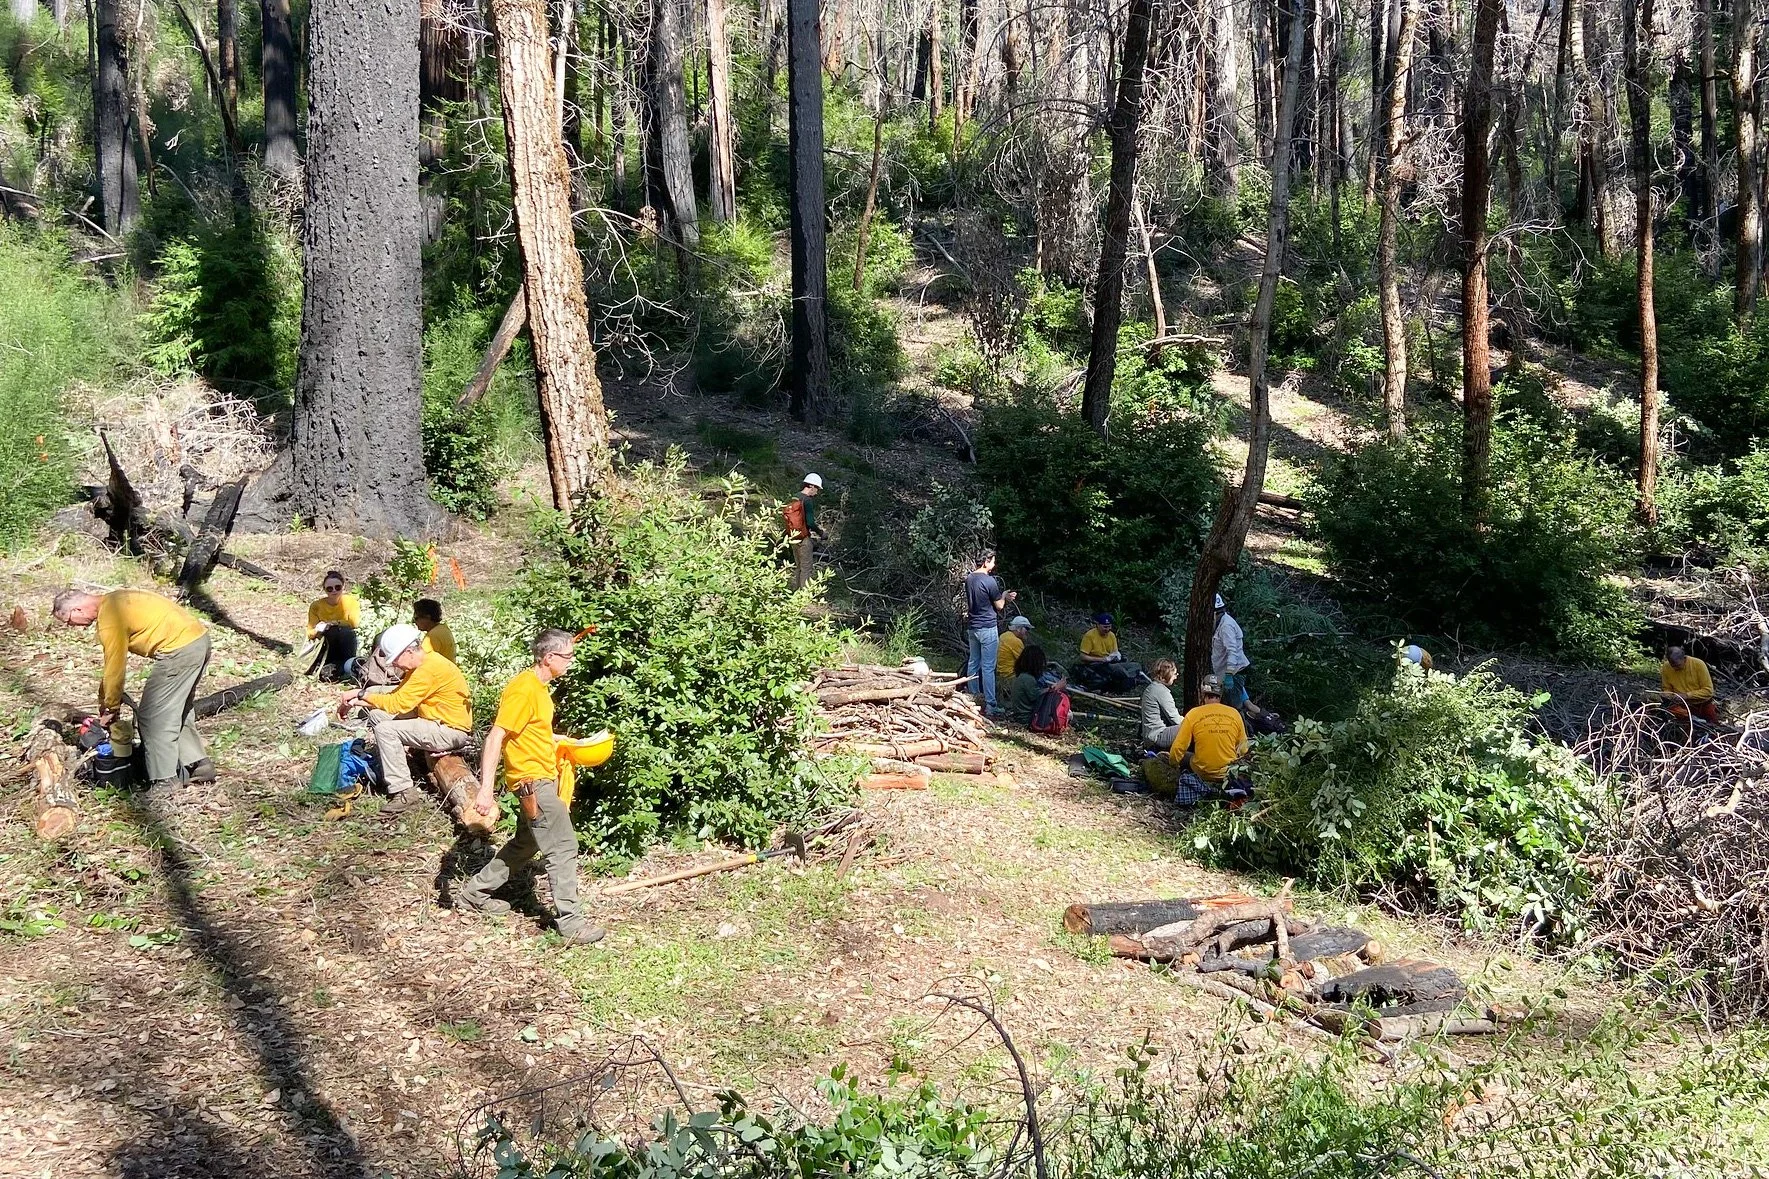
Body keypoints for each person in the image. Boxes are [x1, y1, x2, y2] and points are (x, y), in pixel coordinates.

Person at [456, 629, 605, 945]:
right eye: (567, 657)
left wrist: (557, 741)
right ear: (549, 658)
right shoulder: (524, 690)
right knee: (563, 847)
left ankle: (474, 894)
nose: (571, 662)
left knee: (526, 843)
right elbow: (496, 736)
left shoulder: (539, 688)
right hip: (533, 783)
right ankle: (572, 924)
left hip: (541, 776)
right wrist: (485, 790)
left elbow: (527, 733)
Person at [53, 587, 215, 790]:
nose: (72, 627)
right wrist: (106, 701)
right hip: (198, 639)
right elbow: (112, 668)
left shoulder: (110, 618)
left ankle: (165, 780)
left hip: (179, 651)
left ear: (77, 610)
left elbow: (115, 666)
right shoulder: (116, 599)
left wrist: (111, 707)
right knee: (178, 709)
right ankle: (198, 766)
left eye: (69, 621)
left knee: (152, 716)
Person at [337, 623, 473, 818]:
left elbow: (396, 704)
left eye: (395, 660)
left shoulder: (428, 670)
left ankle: (403, 791)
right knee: (377, 715)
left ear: (408, 651)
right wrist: (360, 697)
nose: (395, 665)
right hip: (433, 719)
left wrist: (361, 695)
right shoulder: (423, 663)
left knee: (386, 730)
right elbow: (396, 693)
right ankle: (397, 765)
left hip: (449, 730)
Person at [1171, 674, 1250, 794]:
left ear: (1203, 693)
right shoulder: (1234, 714)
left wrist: (1172, 765)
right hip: (1228, 773)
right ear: (1221, 693)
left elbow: (1178, 747)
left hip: (1202, 773)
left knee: (1186, 757)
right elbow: (1244, 748)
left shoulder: (1193, 714)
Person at [963, 551, 1016, 716]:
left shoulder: (970, 578)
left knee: (973, 663)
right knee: (987, 667)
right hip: (987, 627)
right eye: (992, 561)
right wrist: (1005, 596)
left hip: (973, 627)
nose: (993, 565)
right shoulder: (989, 581)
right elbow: (999, 605)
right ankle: (990, 705)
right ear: (985, 562)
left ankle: (972, 698)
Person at [306, 571, 361, 680]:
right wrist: (318, 629)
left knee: (344, 632)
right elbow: (310, 633)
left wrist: (333, 623)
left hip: (346, 641)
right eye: (330, 589)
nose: (334, 591)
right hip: (326, 644)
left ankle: (347, 665)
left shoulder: (350, 602)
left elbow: (354, 623)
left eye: (337, 587)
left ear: (343, 587)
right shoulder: (316, 606)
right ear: (325, 589)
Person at [1212, 594, 1260, 717]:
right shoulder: (1219, 623)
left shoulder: (1226, 626)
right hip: (1225, 673)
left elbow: (1232, 652)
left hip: (1234, 673)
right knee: (1243, 704)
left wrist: (1229, 675)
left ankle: (1241, 733)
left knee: (1233, 709)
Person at [1660, 646, 1720, 725]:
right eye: (1672, 665)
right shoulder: (1666, 667)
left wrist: (1687, 695)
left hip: (1703, 705)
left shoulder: (1698, 664)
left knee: (1713, 728)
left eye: (1677, 665)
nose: (1674, 668)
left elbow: (1708, 691)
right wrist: (1668, 695)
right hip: (1682, 707)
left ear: (1684, 658)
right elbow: (1667, 688)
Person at [1006, 644, 1062, 725]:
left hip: (1022, 716)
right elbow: (1036, 697)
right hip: (1027, 718)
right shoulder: (1027, 679)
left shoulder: (1021, 676)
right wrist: (1054, 688)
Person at [789, 473, 828, 589]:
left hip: (792, 536)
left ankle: (796, 591)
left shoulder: (794, 497)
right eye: (817, 488)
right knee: (806, 568)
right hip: (804, 538)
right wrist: (821, 533)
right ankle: (804, 597)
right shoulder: (807, 500)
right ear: (811, 486)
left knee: (799, 566)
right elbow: (810, 522)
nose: (817, 492)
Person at [1139, 658, 1183, 750]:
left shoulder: (1152, 687)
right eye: (1175, 674)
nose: (1176, 677)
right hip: (1157, 735)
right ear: (1168, 674)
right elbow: (1175, 719)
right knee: (1194, 728)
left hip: (1150, 735)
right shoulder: (1161, 691)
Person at [996, 616, 1032, 683]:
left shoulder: (1004, 635)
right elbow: (1026, 662)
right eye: (1026, 628)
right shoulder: (1015, 641)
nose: (1027, 631)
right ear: (1019, 628)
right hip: (1011, 676)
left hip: (1001, 675)